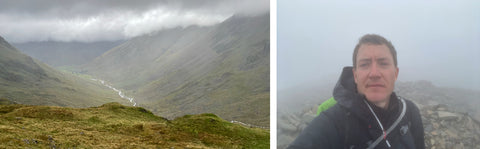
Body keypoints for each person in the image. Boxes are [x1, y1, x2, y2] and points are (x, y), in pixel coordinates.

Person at [288, 34, 425, 149]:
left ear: (395, 73)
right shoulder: (334, 122)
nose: (374, 73)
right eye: (365, 64)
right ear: (355, 75)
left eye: (383, 63)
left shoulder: (409, 112)